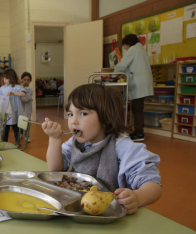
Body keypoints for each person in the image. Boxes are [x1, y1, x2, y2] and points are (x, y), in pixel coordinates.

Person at [42, 84, 162, 214]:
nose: (73, 121)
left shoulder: (123, 147)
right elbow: (55, 169)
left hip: (110, 214)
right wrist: (54, 139)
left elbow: (153, 185)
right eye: (70, 114)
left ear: (107, 117)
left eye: (83, 113)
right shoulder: (75, 141)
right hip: (78, 207)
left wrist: (138, 197)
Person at [114, 34, 153, 142]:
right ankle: (138, 132)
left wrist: (112, 75)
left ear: (128, 43)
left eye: (125, 46)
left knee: (137, 109)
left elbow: (122, 65)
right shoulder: (141, 50)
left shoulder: (133, 49)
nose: (125, 49)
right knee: (138, 108)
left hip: (139, 84)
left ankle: (139, 133)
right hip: (143, 84)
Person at [0, 69, 26, 142]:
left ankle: (17, 142)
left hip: (15, 111)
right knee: (6, 127)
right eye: (4, 78)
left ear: (12, 78)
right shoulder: (3, 88)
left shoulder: (17, 87)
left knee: (15, 127)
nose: (4, 80)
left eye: (6, 78)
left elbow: (23, 94)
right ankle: (5, 141)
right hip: (6, 112)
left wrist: (14, 93)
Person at [20, 72, 33, 142]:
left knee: (27, 122)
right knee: (20, 121)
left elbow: (26, 99)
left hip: (27, 108)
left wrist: (19, 96)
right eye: (24, 79)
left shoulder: (30, 90)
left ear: (30, 81)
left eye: (28, 80)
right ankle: (20, 134)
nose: (26, 81)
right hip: (21, 108)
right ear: (22, 80)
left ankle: (27, 136)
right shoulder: (19, 88)